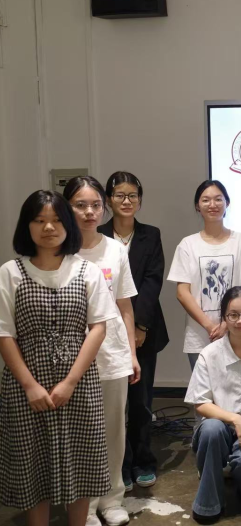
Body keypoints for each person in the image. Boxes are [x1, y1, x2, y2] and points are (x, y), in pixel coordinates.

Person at [0, 190, 117, 526]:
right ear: (27, 226)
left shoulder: (87, 270)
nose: (48, 227)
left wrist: (70, 382)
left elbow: (97, 329)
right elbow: (4, 334)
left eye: (55, 220)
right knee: (31, 463)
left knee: (82, 461)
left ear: (68, 225)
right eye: (39, 220)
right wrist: (30, 386)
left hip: (79, 383)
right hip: (26, 386)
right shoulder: (10, 272)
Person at [64, 176, 141, 526]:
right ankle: (85, 505)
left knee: (113, 429)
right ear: (67, 208)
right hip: (71, 356)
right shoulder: (60, 251)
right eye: (80, 205)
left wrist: (131, 353)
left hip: (112, 352)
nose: (89, 212)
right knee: (81, 433)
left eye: (95, 205)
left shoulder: (115, 249)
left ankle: (112, 500)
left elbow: (124, 305)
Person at [99, 171, 169, 491]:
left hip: (145, 328)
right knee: (114, 404)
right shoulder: (97, 235)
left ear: (139, 200)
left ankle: (143, 460)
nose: (126, 201)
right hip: (105, 331)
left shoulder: (150, 235)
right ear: (108, 199)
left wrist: (139, 326)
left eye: (132, 195)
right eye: (119, 195)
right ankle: (119, 465)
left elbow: (153, 281)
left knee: (141, 401)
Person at [185, 286, 241, 524]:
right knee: (211, 429)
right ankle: (209, 503)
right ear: (224, 318)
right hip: (219, 430)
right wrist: (235, 419)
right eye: (233, 315)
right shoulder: (209, 354)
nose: (240, 321)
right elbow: (201, 403)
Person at [167, 180, 241, 369]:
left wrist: (227, 323)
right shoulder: (187, 245)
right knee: (203, 386)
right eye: (206, 200)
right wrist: (210, 327)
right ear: (197, 206)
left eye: (218, 199)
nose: (212, 204)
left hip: (238, 330)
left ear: (227, 203)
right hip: (200, 336)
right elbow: (182, 293)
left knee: (240, 385)